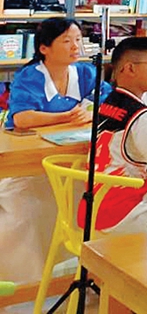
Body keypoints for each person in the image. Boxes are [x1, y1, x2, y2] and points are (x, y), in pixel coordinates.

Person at [0, 18, 110, 284]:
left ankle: (73, 271)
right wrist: (65, 117)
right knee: (23, 211)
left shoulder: (85, 73)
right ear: (44, 48)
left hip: (72, 157)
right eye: (66, 41)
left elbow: (108, 101)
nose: (75, 46)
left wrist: (89, 113)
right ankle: (26, 281)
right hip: (31, 163)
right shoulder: (31, 76)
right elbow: (22, 118)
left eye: (77, 40)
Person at [91, 36, 147, 233]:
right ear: (130, 68)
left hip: (93, 210)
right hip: (126, 214)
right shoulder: (142, 116)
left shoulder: (106, 104)